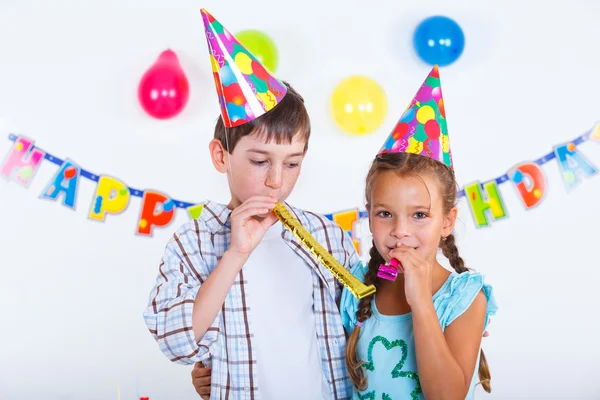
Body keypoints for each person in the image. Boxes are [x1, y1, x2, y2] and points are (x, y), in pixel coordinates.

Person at [143, 9, 359, 399]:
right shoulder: (194, 242)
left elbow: (365, 322)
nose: (277, 179)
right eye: (260, 161)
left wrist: (450, 311)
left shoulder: (329, 237)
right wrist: (236, 253)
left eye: (292, 163)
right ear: (221, 155)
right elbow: (177, 343)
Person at [341, 65, 498, 399]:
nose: (400, 231)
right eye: (385, 213)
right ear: (369, 218)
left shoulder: (465, 298)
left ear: (446, 222)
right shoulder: (355, 286)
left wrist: (421, 302)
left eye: (419, 215)